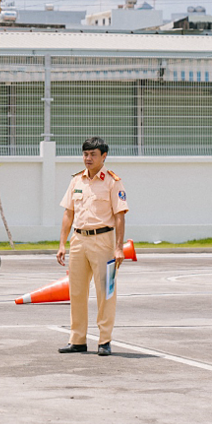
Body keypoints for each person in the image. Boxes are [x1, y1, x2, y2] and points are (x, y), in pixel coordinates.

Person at [55, 137, 129, 357]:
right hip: (78, 240)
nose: (88, 158)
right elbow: (68, 213)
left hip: (103, 241)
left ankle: (104, 340)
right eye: (85, 154)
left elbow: (120, 216)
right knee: (76, 292)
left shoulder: (113, 182)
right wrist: (62, 243)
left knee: (106, 292)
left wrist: (118, 247)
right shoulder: (77, 181)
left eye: (93, 154)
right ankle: (77, 339)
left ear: (104, 157)